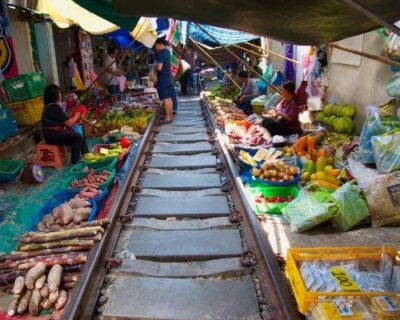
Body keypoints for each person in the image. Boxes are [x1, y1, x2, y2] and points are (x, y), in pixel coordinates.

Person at [41, 84, 85, 164]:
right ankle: (75, 162)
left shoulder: (49, 107)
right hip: (53, 136)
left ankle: (86, 154)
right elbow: (68, 123)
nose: (61, 94)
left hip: (51, 134)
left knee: (79, 131)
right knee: (77, 137)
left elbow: (63, 119)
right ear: (56, 95)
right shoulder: (54, 107)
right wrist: (77, 115)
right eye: (59, 93)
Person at [154, 38, 174, 123]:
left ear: (159, 44)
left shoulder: (160, 54)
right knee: (169, 98)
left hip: (163, 79)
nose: (155, 47)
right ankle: (170, 116)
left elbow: (159, 67)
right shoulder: (167, 52)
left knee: (165, 98)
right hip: (169, 78)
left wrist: (155, 66)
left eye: (155, 45)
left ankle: (168, 118)